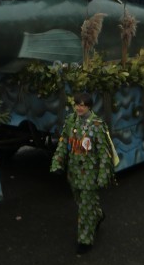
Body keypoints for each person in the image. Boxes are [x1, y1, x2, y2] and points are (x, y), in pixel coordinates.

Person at [50, 92, 119, 255]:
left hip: (90, 174)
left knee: (85, 208)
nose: (79, 108)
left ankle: (85, 240)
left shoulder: (97, 125)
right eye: (77, 105)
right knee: (81, 202)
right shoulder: (70, 121)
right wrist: (57, 163)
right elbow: (63, 144)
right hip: (74, 173)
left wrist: (103, 175)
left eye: (82, 105)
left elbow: (104, 153)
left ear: (89, 106)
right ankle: (98, 215)